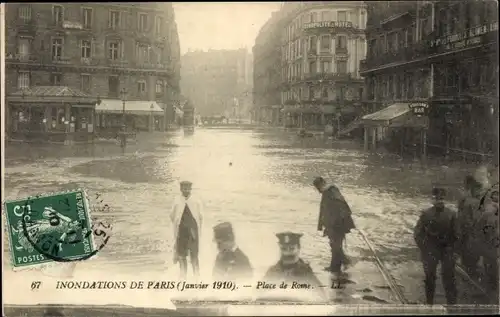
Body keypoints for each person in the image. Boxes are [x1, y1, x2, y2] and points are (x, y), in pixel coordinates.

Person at [414, 187, 458, 305]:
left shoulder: (451, 214)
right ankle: (429, 303)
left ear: (445, 200)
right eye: (437, 199)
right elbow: (418, 233)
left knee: (449, 277)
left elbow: (457, 234)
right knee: (429, 277)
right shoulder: (426, 214)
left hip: (447, 250)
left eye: (442, 199)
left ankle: (452, 304)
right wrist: (424, 248)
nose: (440, 201)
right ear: (433, 200)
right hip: (431, 250)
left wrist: (453, 250)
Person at [313, 176, 355, 278]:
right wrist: (321, 225)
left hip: (337, 224)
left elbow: (341, 207)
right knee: (334, 245)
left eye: (318, 187)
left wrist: (336, 224)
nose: (318, 190)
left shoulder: (331, 191)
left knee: (335, 245)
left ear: (322, 184)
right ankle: (335, 267)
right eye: (317, 188)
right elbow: (324, 210)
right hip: (333, 224)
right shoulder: (328, 192)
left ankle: (344, 262)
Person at [263, 232, 324, 299]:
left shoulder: (306, 273)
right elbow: (257, 295)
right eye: (284, 249)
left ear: (298, 248)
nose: (287, 253)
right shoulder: (272, 272)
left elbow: (321, 297)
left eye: (292, 249)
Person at [170, 180, 203, 280]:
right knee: (181, 254)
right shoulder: (177, 200)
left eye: (188, 188)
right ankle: (183, 275)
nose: (186, 190)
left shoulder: (196, 200)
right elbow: (172, 215)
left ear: (190, 189)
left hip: (193, 231)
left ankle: (196, 276)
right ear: (180, 189)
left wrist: (197, 229)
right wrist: (177, 224)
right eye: (184, 188)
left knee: (194, 254)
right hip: (181, 231)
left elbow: (200, 216)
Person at [475, 188, 499, 300]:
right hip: (490, 243)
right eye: (495, 195)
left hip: (492, 243)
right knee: (491, 265)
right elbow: (479, 227)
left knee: (490, 265)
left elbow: (479, 227)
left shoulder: (488, 211)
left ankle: (491, 289)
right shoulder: (488, 212)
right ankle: (491, 288)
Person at [457, 175, 483, 276]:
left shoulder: (466, 198)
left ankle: (468, 265)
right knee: (468, 246)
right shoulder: (469, 200)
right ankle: (469, 266)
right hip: (468, 227)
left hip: (467, 226)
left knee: (466, 246)